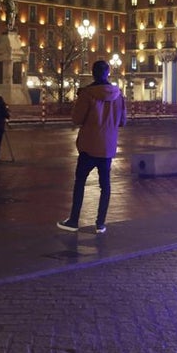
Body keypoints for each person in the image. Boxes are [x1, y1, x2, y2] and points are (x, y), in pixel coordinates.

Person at [58, 60, 127, 234]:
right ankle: (100, 223)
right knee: (105, 185)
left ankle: (73, 221)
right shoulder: (118, 95)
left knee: (80, 182)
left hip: (88, 146)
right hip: (107, 148)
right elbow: (123, 122)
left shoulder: (87, 94)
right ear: (108, 73)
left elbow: (77, 119)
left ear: (93, 73)